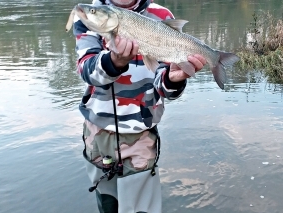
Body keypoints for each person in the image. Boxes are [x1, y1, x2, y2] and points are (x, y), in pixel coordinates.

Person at [73, 0, 206, 212]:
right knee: (107, 203)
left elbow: (164, 87)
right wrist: (114, 62)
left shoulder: (161, 15)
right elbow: (86, 71)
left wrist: (174, 80)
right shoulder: (91, 15)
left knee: (141, 208)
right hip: (97, 135)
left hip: (141, 136)